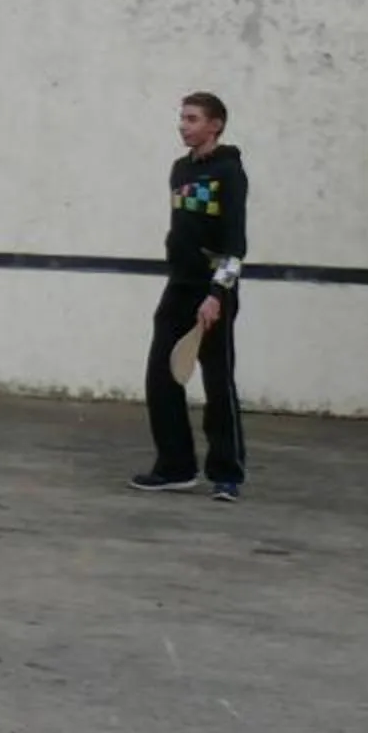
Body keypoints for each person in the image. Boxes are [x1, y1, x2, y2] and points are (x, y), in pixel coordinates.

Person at [132, 91, 248, 502]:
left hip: (213, 292)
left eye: (193, 118)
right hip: (178, 289)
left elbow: (235, 244)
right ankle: (175, 467)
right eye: (182, 118)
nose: (184, 125)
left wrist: (218, 293)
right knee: (160, 377)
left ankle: (227, 474)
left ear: (215, 125)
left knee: (218, 382)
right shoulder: (180, 169)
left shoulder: (229, 172)